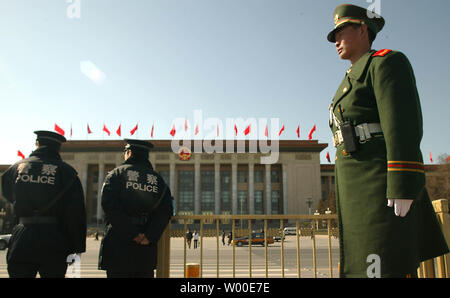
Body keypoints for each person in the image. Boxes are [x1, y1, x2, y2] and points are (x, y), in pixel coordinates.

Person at [327, 4, 449, 277]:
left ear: (362, 29)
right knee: (362, 263)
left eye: (340, 32)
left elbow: (402, 125)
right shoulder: (348, 80)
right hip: (356, 188)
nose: (335, 41)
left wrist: (402, 184)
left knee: (381, 262)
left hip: (379, 185)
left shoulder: (385, 63)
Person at [1, 130, 87, 278]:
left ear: (37, 144)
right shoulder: (67, 172)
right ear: (58, 148)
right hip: (54, 239)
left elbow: (8, 194)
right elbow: (76, 213)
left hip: (22, 236)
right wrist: (76, 248)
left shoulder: (16, 168)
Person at [98, 139, 174, 278]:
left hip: (118, 243)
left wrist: (132, 233)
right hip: (144, 248)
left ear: (129, 152)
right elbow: (166, 210)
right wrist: (149, 236)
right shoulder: (158, 180)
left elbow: (109, 206)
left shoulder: (116, 174)